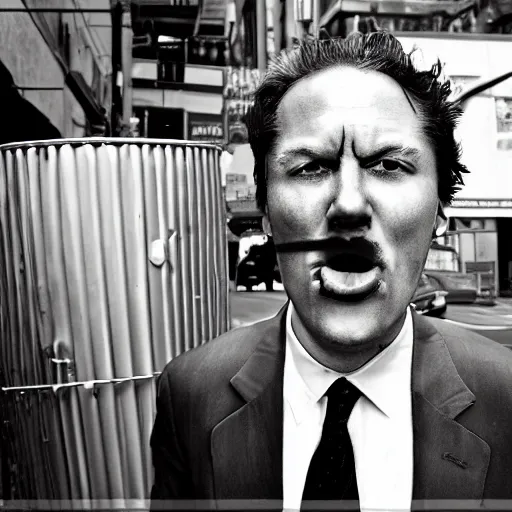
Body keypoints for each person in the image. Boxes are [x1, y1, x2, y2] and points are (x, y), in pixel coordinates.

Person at [150, 32, 512, 511]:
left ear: (439, 213)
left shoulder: (505, 399)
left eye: (387, 164)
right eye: (310, 167)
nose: (348, 206)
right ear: (265, 214)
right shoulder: (190, 394)